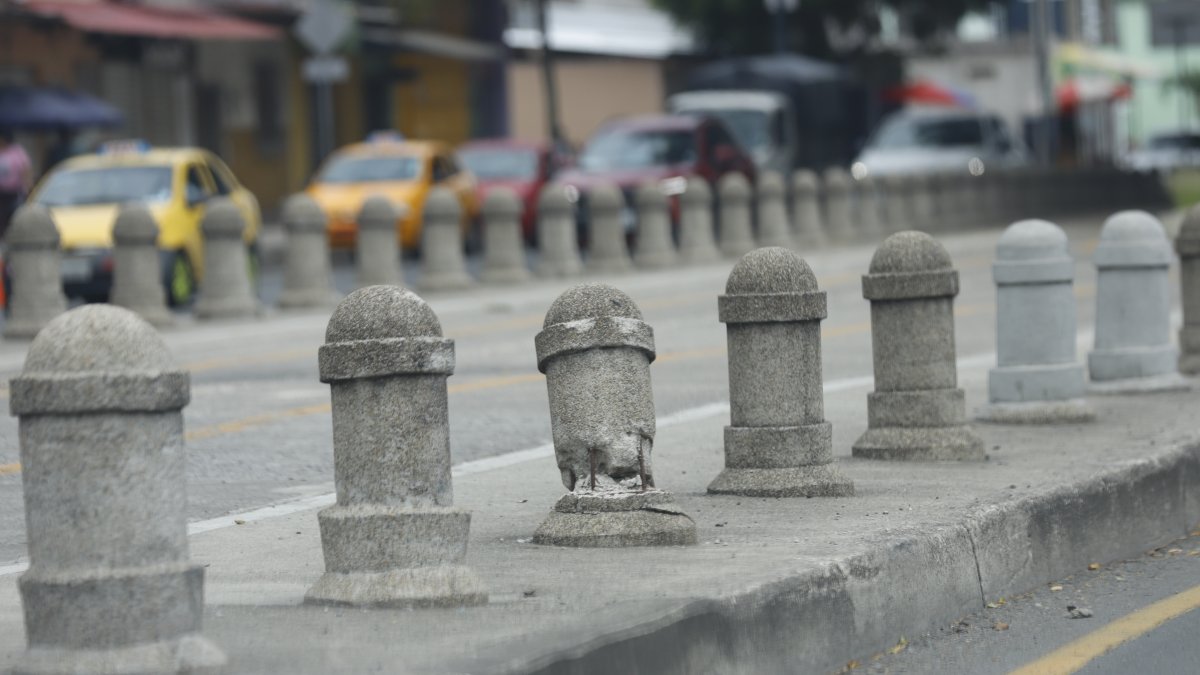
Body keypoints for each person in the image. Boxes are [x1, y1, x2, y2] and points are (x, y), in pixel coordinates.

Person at [0, 128, 33, 239]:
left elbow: (25, 169)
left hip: (14, 191)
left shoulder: (16, 151)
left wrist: (27, 186)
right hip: (1, 192)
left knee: (15, 216)